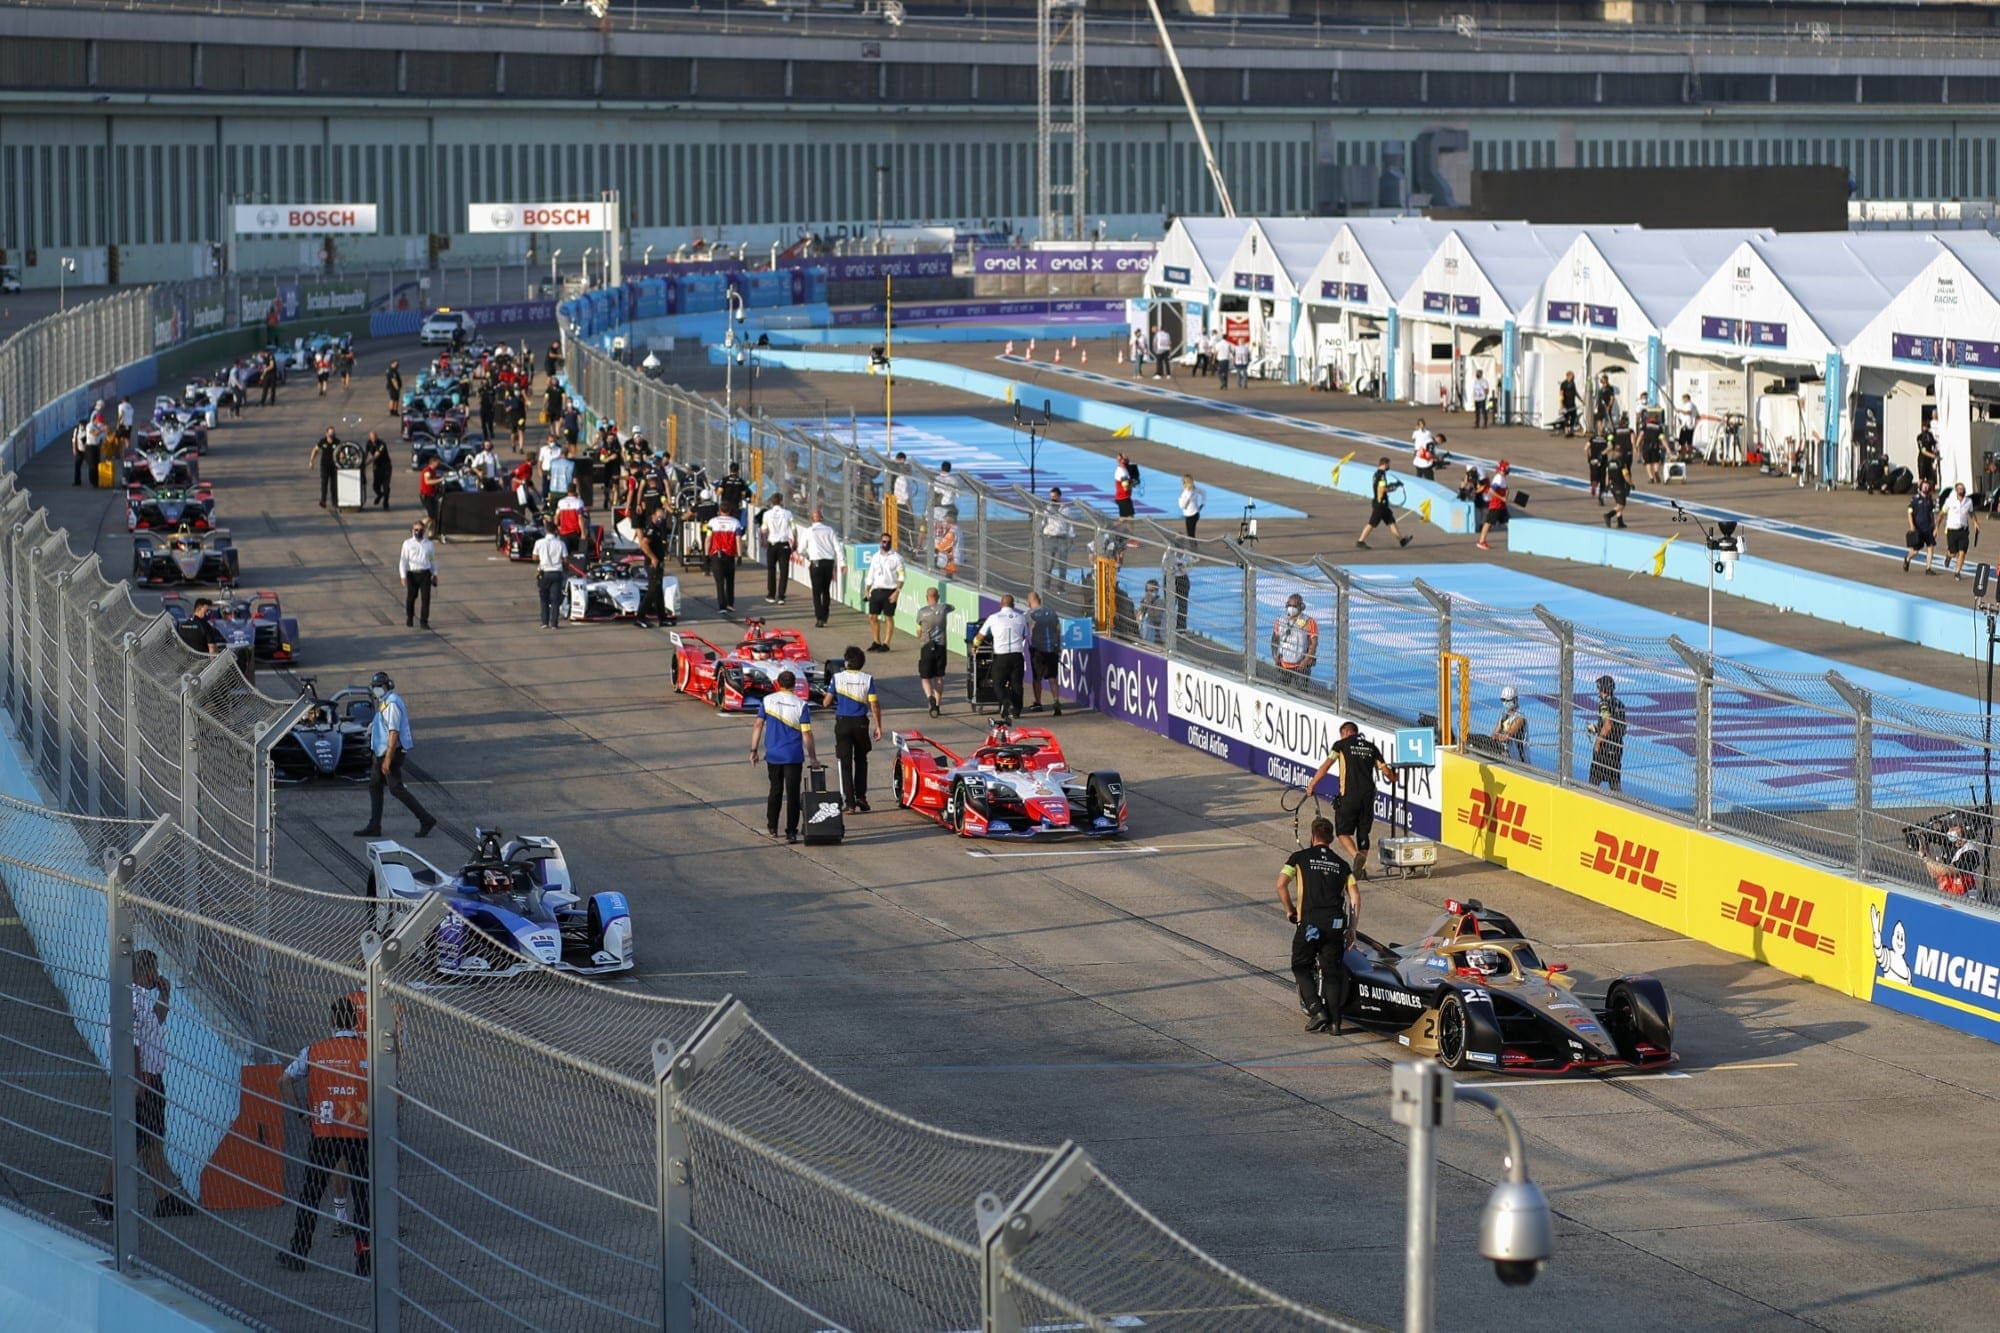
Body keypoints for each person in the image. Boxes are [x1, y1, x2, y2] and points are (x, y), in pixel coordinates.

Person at [92, 949, 196, 1223]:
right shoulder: (132, 1000)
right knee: (135, 1141)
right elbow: (133, 1043)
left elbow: (156, 1021)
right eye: (154, 970)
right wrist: (138, 1079)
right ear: (143, 971)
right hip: (141, 1080)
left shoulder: (138, 997)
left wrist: (165, 996)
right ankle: (107, 1196)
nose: (157, 975)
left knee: (151, 1140)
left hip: (146, 1078)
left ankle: (162, 1198)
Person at [275, 996, 372, 1276]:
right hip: (359, 1132)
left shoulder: (314, 1051)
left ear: (331, 1021)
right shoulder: (368, 1052)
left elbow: (284, 1081)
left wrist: (302, 1113)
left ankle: (299, 1252)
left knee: (311, 1195)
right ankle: (364, 1258)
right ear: (356, 1021)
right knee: (364, 1197)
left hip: (324, 1133)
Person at [1276, 818, 1355, 1034]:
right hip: (1335, 925)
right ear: (1331, 839)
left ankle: (1316, 1009)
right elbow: (1355, 896)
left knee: (1300, 966)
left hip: (1310, 924)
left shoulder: (1299, 858)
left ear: (1312, 837)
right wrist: (1352, 928)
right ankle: (1336, 1024)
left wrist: (1291, 910)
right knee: (1332, 973)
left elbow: (1280, 884)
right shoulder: (1342, 865)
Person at [352, 671, 436, 838]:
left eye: (378, 687)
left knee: (396, 788)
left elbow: (393, 732)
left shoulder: (392, 704)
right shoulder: (385, 702)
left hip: (391, 752)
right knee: (375, 785)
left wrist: (388, 759)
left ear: (386, 686)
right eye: (374, 687)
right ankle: (374, 825)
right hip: (382, 752)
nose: (376, 690)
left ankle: (425, 819)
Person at [1307, 721, 1394, 876]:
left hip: (1349, 795)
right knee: (1363, 834)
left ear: (1345, 733)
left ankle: (1357, 857)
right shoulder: (1371, 747)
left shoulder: (1340, 745)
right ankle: (1362, 868)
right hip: (1368, 796)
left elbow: (1326, 766)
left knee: (1342, 832)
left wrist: (1312, 784)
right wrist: (1395, 778)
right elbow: (1386, 771)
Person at [750, 669, 816, 843]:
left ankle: (772, 826)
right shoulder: (801, 705)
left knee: (775, 790)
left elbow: (758, 725)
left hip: (773, 755)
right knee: (793, 794)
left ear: (778, 683)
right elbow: (807, 734)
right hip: (793, 756)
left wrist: (754, 750)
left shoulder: (768, 701)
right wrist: (813, 757)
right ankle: (791, 832)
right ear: (794, 685)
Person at [823, 646, 884, 812]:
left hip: (842, 723)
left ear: (846, 662)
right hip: (861, 723)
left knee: (845, 763)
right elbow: (874, 704)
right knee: (861, 760)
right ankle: (861, 797)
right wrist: (879, 725)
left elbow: (826, 703)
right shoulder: (867, 679)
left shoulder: (837, 678)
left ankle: (849, 803)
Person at [982, 594, 1029, 724]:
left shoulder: (993, 618)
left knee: (998, 684)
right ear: (1013, 605)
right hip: (1017, 655)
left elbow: (980, 636)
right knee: (1017, 684)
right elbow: (1025, 635)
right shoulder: (1021, 618)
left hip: (1001, 656)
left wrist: (974, 646)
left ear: (1001, 604)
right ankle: (1017, 710)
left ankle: (1005, 701)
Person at [1356, 458, 1412, 550]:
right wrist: (1394, 487)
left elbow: (1381, 486)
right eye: (1389, 464)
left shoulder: (1377, 474)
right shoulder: (1381, 475)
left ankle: (1402, 541)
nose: (1389, 466)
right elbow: (1383, 489)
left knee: (1391, 521)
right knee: (1372, 523)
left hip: (1382, 504)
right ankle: (1360, 541)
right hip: (1380, 504)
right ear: (1385, 464)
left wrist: (1393, 485)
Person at [635, 499, 674, 629]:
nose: (661, 519)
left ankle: (662, 618)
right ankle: (640, 617)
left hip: (659, 563)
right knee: (652, 591)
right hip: (652, 565)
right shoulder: (651, 529)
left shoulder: (659, 528)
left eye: (662, 517)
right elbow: (643, 544)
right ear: (653, 517)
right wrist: (653, 558)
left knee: (658, 591)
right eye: (658, 517)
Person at [799, 507, 841, 628]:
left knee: (816, 592)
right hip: (828, 562)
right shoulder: (829, 530)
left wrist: (808, 556)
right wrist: (842, 562)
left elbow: (800, 550)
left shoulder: (808, 531)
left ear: (812, 519)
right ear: (822, 518)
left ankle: (819, 618)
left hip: (816, 563)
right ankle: (825, 615)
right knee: (826, 590)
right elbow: (837, 547)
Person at [863, 533, 905, 651]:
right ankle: (876, 641)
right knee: (872, 616)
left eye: (888, 542)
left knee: (888, 617)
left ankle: (886, 643)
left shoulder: (897, 558)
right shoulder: (876, 556)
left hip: (890, 590)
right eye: (884, 542)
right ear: (880, 542)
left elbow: (901, 577)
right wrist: (867, 589)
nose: (885, 544)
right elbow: (871, 574)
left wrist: (897, 592)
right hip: (877, 590)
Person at [1923, 815, 1981, 898]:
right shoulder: (1948, 848)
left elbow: (1944, 871)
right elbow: (1934, 873)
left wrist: (1927, 859)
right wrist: (1924, 853)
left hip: (1964, 900)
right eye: (1949, 828)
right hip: (1945, 896)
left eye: (1954, 828)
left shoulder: (1971, 852)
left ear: (1965, 829)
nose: (1950, 831)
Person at [914, 586, 950, 718]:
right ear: (938, 597)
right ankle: (938, 705)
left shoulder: (922, 612)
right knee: (939, 677)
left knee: (925, 677)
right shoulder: (944, 608)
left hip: (926, 647)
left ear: (926, 597)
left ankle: (930, 698)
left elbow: (918, 632)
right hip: (941, 646)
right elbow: (952, 607)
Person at [1026, 591, 1063, 716]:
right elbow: (1058, 630)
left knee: (1037, 678)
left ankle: (1038, 703)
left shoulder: (1029, 615)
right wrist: (1058, 645)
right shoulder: (1052, 612)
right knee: (1053, 678)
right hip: (1052, 648)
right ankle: (1056, 701)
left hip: (1037, 650)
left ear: (1029, 602)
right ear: (1040, 600)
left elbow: (1026, 630)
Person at [1270, 592, 1318, 684]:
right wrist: (1275, 656)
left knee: (1301, 691)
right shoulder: (1281, 620)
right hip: (1283, 664)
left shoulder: (1309, 622)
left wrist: (1306, 661)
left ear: (1301, 607)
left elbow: (1313, 643)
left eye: (1294, 606)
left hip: (1301, 666)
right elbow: (1274, 638)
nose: (1291, 608)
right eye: (1290, 605)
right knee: (1282, 689)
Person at [1589, 674, 1625, 792]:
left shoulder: (1604, 705)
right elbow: (1619, 726)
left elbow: (1608, 725)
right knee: (1614, 781)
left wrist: (1598, 742)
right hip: (1617, 746)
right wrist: (1597, 729)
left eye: (1599, 688)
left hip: (1605, 747)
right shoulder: (1619, 704)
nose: (1598, 691)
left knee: (1594, 781)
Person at [398, 521, 436, 629]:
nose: (418, 532)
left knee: (426, 598)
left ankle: (424, 621)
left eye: (421, 530)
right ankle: (410, 616)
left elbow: (433, 559)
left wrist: (435, 573)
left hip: (425, 573)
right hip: (412, 574)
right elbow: (403, 560)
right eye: (416, 530)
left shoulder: (429, 544)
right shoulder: (407, 543)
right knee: (411, 597)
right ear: (412, 531)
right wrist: (403, 575)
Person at [760, 493, 795, 604]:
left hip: (772, 543)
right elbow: (794, 529)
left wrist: (765, 537)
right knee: (784, 571)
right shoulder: (788, 513)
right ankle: (781, 597)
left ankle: (771, 595)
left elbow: (764, 530)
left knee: (771, 570)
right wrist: (796, 542)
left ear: (772, 502)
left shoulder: (767, 514)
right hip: (784, 543)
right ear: (781, 501)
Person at [708, 503, 742, 612]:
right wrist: (740, 555)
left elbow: (708, 539)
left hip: (716, 554)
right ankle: (730, 604)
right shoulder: (735, 522)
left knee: (719, 581)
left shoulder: (712, 522)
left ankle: (722, 606)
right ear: (730, 510)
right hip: (730, 555)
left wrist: (706, 554)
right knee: (730, 580)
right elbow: (738, 539)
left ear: (719, 510)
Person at [533, 522, 568, 630]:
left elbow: (534, 557)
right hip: (556, 572)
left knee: (544, 598)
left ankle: (544, 622)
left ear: (545, 530)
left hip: (544, 572)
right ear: (556, 531)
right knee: (555, 599)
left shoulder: (539, 542)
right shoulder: (561, 543)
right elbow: (566, 559)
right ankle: (554, 623)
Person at [1944, 482, 1980, 579]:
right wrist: (1937, 526)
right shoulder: (1950, 501)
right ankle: (1948, 555)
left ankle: (1957, 572)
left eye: (1963, 488)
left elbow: (1971, 513)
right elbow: (1942, 513)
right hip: (1952, 530)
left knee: (1962, 552)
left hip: (1963, 531)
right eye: (1959, 489)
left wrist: (1975, 522)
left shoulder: (1968, 501)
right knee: (1953, 552)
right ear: (1956, 491)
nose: (1961, 490)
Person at [1905, 479, 1939, 575]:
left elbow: (1933, 514)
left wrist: (1935, 527)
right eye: (1924, 486)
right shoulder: (1915, 499)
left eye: (1927, 486)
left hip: (1928, 528)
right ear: (1920, 487)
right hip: (1918, 528)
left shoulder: (1930, 500)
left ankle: (1928, 568)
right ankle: (1907, 559)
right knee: (1916, 551)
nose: (1926, 488)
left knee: (1930, 547)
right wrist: (1912, 525)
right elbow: (1909, 513)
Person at [1042, 487, 1076, 583]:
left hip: (1062, 538)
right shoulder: (1047, 508)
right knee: (1049, 563)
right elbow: (1043, 522)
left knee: (1062, 564)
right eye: (1051, 496)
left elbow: (1070, 524)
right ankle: (1047, 583)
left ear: (1059, 497)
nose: (1052, 498)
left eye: (1054, 496)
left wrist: (1072, 537)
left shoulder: (1066, 509)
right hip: (1050, 537)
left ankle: (1061, 587)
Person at [1475, 459, 1510, 551]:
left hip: (1501, 506)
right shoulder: (1498, 478)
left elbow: (1504, 489)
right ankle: (1481, 541)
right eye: (1504, 469)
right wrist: (1502, 498)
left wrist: (1506, 494)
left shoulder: (1502, 478)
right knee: (1489, 523)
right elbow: (1491, 490)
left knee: (1508, 522)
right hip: (1496, 505)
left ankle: (1517, 540)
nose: (1505, 471)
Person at [1493, 685, 1529, 761]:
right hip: (1504, 750)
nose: (1505, 702)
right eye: (1503, 700)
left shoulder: (1520, 717)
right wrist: (1496, 736)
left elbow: (1508, 735)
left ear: (1515, 699)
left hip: (1518, 757)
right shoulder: (1504, 715)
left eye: (1507, 700)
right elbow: (1494, 734)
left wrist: (1499, 737)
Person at [1636, 394, 1666, 484]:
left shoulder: (1645, 426)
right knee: (1656, 460)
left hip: (1646, 446)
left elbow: (1641, 435)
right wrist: (1667, 448)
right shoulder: (1658, 427)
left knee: (1648, 463)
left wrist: (1637, 445)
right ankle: (1656, 471)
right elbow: (1662, 438)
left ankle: (1651, 477)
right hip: (1655, 445)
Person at [309, 428, 341, 509]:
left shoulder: (337, 442)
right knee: (324, 483)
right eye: (330, 434)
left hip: (334, 466)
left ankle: (334, 501)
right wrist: (311, 460)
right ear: (326, 433)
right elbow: (315, 450)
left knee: (334, 485)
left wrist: (341, 459)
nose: (331, 436)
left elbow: (342, 453)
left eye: (333, 434)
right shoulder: (322, 441)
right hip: (324, 466)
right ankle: (323, 500)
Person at [554, 483, 587, 557]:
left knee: (565, 555)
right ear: (575, 491)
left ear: (567, 491)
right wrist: (583, 533)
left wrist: (555, 529)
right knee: (575, 555)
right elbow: (580, 518)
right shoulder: (579, 502)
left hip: (564, 533)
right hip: (575, 532)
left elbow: (556, 517)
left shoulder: (561, 502)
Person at [1167, 545, 1193, 636]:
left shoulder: (1187, 554)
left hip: (1183, 580)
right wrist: (1174, 568)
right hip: (1171, 579)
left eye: (1181, 552)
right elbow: (1163, 568)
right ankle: (1168, 627)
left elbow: (1190, 566)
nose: (1180, 554)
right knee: (1170, 604)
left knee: (1183, 606)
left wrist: (1184, 568)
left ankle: (1181, 630)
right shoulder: (1168, 553)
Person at [362, 432, 393, 509]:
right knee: (375, 486)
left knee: (386, 486)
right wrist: (362, 461)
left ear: (377, 437)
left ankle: (385, 502)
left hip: (385, 466)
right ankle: (379, 495)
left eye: (374, 437)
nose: (373, 439)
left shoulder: (382, 444)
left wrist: (366, 465)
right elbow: (366, 454)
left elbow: (376, 455)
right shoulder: (369, 443)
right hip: (377, 467)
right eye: (371, 437)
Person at [418, 457, 446, 540]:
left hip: (432, 495)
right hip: (426, 496)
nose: (439, 463)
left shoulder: (433, 471)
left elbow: (434, 478)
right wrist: (440, 480)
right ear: (433, 462)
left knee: (434, 517)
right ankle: (419, 525)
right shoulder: (427, 471)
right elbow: (428, 481)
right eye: (437, 462)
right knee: (431, 516)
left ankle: (431, 534)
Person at [1604, 449, 1632, 529]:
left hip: (1612, 486)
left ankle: (1620, 522)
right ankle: (1608, 515)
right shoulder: (1621, 463)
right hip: (1619, 485)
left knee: (1618, 503)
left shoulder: (1609, 463)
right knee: (1621, 505)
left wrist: (1607, 485)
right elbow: (1625, 474)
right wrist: (1630, 483)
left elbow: (1607, 475)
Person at [1138, 579, 1165, 643]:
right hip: (1145, 632)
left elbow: (1155, 617)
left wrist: (1148, 604)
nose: (1148, 593)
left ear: (1157, 591)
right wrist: (1142, 606)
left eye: (1151, 590)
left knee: (1148, 620)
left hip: (1156, 635)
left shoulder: (1160, 602)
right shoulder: (1145, 602)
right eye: (1147, 590)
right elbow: (1138, 617)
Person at [1586, 429, 1608, 505]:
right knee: (1602, 480)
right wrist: (1603, 453)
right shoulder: (1606, 439)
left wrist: (1588, 456)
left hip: (1593, 460)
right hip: (1602, 461)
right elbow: (1610, 447)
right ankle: (1600, 498)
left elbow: (1586, 448)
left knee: (1594, 476)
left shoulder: (1592, 438)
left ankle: (1594, 484)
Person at [1916, 424, 1941, 491]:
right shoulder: (1920, 437)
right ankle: (1919, 490)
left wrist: (1935, 449)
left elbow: (1934, 443)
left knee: (1930, 477)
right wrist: (1933, 455)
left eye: (1927, 427)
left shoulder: (1930, 435)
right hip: (1922, 460)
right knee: (1921, 477)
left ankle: (1930, 491)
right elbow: (1923, 451)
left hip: (1929, 460)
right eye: (1924, 427)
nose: (1925, 428)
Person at [1113, 454, 1136, 520]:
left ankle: (1109, 527)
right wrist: (1133, 483)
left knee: (1125, 519)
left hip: (1124, 497)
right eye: (1125, 460)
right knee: (1129, 518)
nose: (1127, 461)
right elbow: (1125, 488)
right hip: (1123, 498)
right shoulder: (1122, 472)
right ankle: (1109, 527)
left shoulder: (1123, 469)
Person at [1558, 372, 1581, 437]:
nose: (1573, 377)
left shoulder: (1573, 383)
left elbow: (1575, 392)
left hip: (1572, 403)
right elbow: (1561, 394)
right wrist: (1561, 404)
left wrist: (1581, 400)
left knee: (1573, 416)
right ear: (1568, 376)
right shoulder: (1563, 384)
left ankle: (1571, 430)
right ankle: (1566, 431)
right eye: (1572, 376)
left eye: (1573, 376)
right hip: (1566, 403)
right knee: (1566, 417)